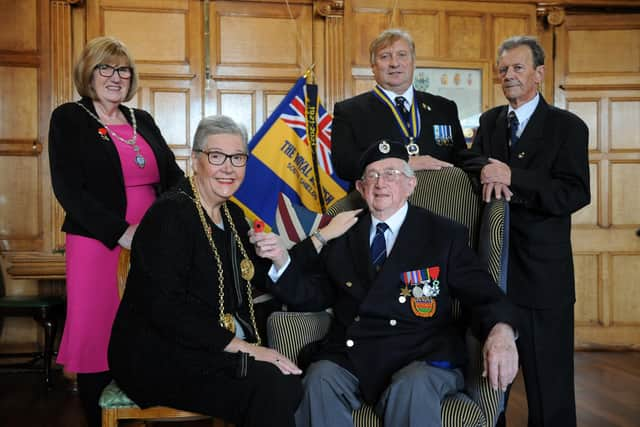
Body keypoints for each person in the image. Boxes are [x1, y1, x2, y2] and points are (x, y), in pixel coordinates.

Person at [252, 140, 519, 427]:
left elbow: (483, 293)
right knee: (318, 379)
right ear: (360, 187)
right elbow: (314, 295)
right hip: (354, 354)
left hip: (422, 355)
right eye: (373, 176)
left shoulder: (442, 234)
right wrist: (281, 260)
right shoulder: (342, 235)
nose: (381, 184)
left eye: (392, 174)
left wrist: (501, 331)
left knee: (412, 387)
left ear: (411, 185)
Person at [107, 115, 303, 427]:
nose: (228, 167)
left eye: (238, 158)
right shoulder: (170, 214)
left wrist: (297, 250)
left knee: (287, 379)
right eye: (216, 157)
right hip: (158, 354)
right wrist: (247, 349)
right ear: (195, 161)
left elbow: (263, 273)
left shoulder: (234, 215)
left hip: (207, 345)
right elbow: (165, 309)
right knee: (270, 384)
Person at [48, 36, 184, 427]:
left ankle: (140, 412)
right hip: (97, 241)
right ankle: (99, 418)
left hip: (152, 242)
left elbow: (173, 178)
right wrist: (122, 232)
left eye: (122, 69)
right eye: (105, 68)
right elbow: (69, 189)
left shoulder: (144, 119)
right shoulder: (69, 118)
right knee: (97, 334)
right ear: (88, 75)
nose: (115, 76)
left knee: (147, 325)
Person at [462, 36, 590, 426]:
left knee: (549, 391)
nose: (509, 76)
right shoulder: (490, 121)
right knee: (487, 386)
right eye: (503, 69)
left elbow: (574, 192)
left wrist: (513, 176)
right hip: (491, 273)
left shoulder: (567, 127)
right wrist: (486, 168)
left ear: (540, 73)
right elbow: (468, 161)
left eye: (518, 68)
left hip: (543, 278)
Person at [332, 28, 468, 184]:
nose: (394, 63)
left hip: (441, 201)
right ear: (373, 66)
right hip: (379, 202)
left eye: (402, 55)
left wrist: (486, 167)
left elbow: (461, 158)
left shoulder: (444, 108)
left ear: (413, 62)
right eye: (385, 57)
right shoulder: (350, 111)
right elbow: (345, 166)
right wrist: (402, 164)